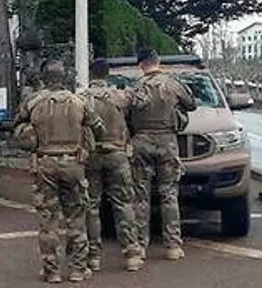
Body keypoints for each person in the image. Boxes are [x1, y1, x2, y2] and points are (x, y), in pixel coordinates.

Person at [12, 59, 105, 283]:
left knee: (48, 219)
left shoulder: (33, 102)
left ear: (44, 78)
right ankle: (77, 269)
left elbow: (17, 127)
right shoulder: (79, 102)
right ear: (64, 77)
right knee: (76, 217)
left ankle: (51, 270)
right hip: (74, 164)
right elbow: (98, 128)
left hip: (45, 164)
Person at [127, 48, 196, 261]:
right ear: (158, 61)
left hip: (140, 142)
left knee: (140, 196)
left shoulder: (134, 88)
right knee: (169, 194)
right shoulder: (172, 84)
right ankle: (173, 246)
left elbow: (126, 115)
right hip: (167, 142)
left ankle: (140, 246)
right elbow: (191, 104)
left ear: (141, 65)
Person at [82, 58, 144, 272]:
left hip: (91, 156)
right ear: (107, 74)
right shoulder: (120, 97)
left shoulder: (81, 98)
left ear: (91, 74)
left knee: (91, 205)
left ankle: (93, 256)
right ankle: (132, 253)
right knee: (124, 203)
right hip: (117, 154)